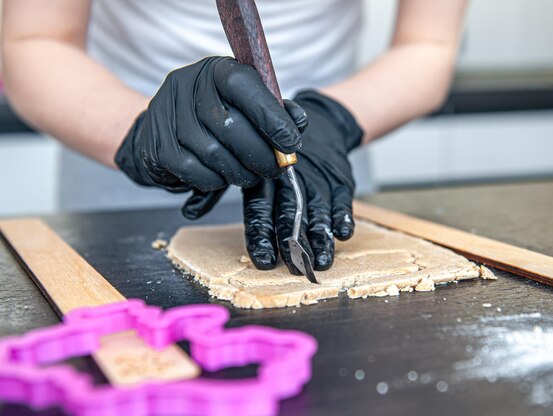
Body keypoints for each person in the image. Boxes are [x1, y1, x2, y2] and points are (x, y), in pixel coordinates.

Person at [2, 0, 466, 275]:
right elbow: (33, 41)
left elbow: (428, 46)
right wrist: (138, 131)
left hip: (323, 160)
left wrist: (333, 118)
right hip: (117, 152)